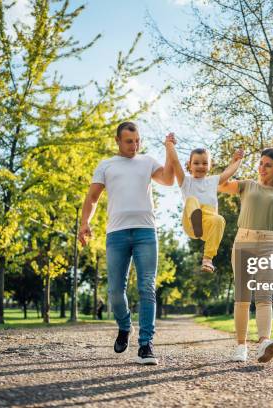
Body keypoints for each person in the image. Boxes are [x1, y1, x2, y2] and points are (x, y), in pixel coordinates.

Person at [78, 122, 175, 365]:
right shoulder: (106, 165)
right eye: (129, 141)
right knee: (114, 291)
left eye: (137, 141)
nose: (134, 145)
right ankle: (124, 326)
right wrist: (84, 223)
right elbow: (92, 198)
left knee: (146, 287)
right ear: (118, 141)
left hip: (145, 232)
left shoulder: (147, 161)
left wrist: (169, 149)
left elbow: (169, 179)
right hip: (117, 234)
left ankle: (146, 344)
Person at [218, 147, 273, 363]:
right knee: (243, 299)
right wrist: (235, 162)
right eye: (261, 163)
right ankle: (241, 346)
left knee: (264, 297)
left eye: (268, 165)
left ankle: (264, 342)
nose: (262, 168)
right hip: (243, 243)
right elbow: (220, 184)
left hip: (269, 244)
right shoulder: (248, 185)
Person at [167, 140, 244, 272]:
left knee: (219, 219)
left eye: (204, 163)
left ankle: (207, 260)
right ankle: (195, 220)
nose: (200, 166)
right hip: (191, 224)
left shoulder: (213, 181)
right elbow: (175, 162)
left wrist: (238, 159)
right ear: (189, 165)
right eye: (196, 163)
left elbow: (229, 172)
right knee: (191, 200)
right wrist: (169, 144)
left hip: (207, 223)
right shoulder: (186, 182)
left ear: (210, 165)